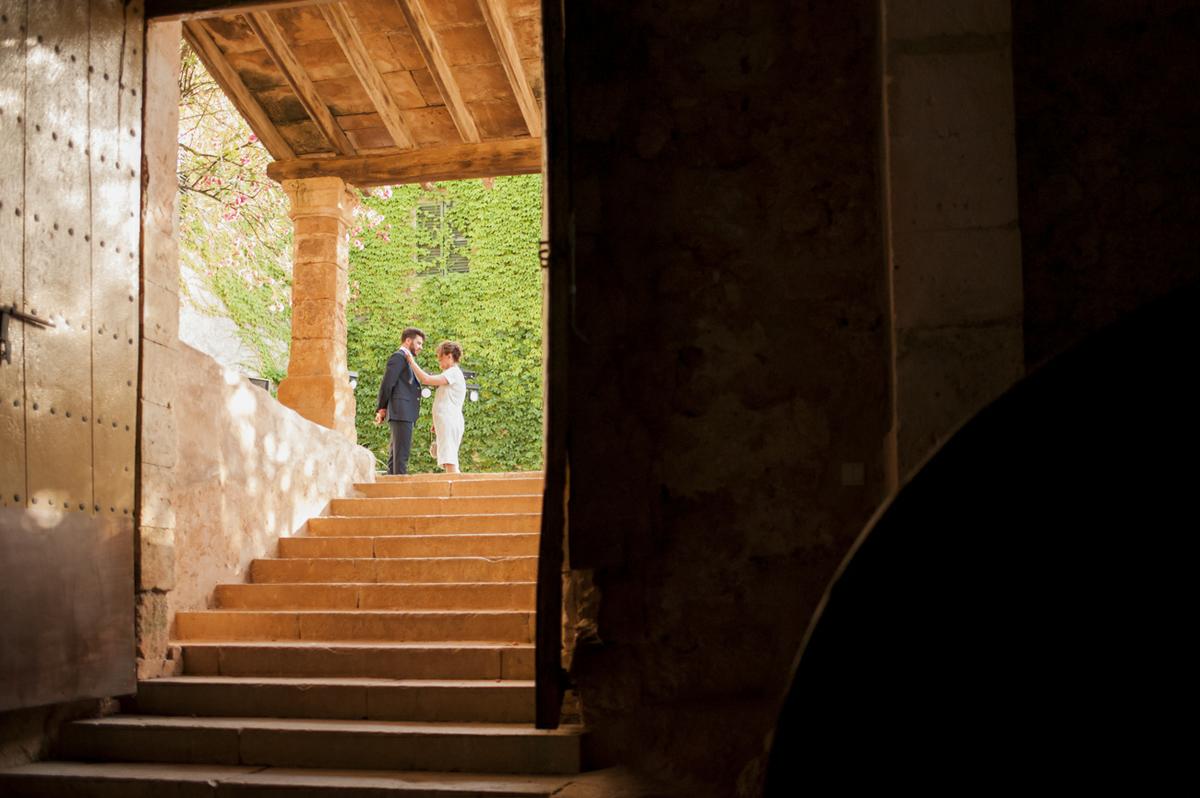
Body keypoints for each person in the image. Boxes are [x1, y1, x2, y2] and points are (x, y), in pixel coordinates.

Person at [405, 341, 467, 473]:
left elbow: (426, 379)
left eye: (440, 358)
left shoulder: (453, 373)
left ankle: (456, 490)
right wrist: (436, 422)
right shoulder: (451, 373)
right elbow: (444, 399)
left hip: (449, 421)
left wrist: (411, 362)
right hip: (446, 421)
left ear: (449, 356)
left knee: (449, 459)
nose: (439, 363)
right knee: (447, 459)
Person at [374, 327, 425, 475]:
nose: (420, 347)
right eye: (419, 343)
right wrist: (381, 408)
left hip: (402, 412)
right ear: (408, 341)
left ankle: (391, 490)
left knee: (396, 455)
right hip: (401, 411)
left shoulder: (406, 359)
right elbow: (387, 384)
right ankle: (400, 491)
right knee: (400, 456)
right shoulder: (398, 357)